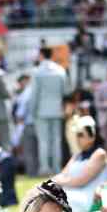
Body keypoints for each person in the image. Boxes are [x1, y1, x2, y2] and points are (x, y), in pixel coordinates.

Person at [52, 116, 107, 212]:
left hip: (90, 198)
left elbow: (81, 181)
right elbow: (63, 174)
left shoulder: (99, 154)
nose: (77, 138)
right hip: (74, 193)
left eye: (80, 135)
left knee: (56, 199)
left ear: (92, 137)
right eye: (76, 135)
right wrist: (50, 183)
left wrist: (58, 181)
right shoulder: (77, 155)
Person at [30, 47, 70, 176]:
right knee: (57, 140)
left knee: (44, 141)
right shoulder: (60, 70)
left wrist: (33, 111)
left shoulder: (37, 71)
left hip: (42, 110)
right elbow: (66, 92)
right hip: (57, 109)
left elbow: (35, 94)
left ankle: (45, 168)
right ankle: (57, 168)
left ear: (41, 55)